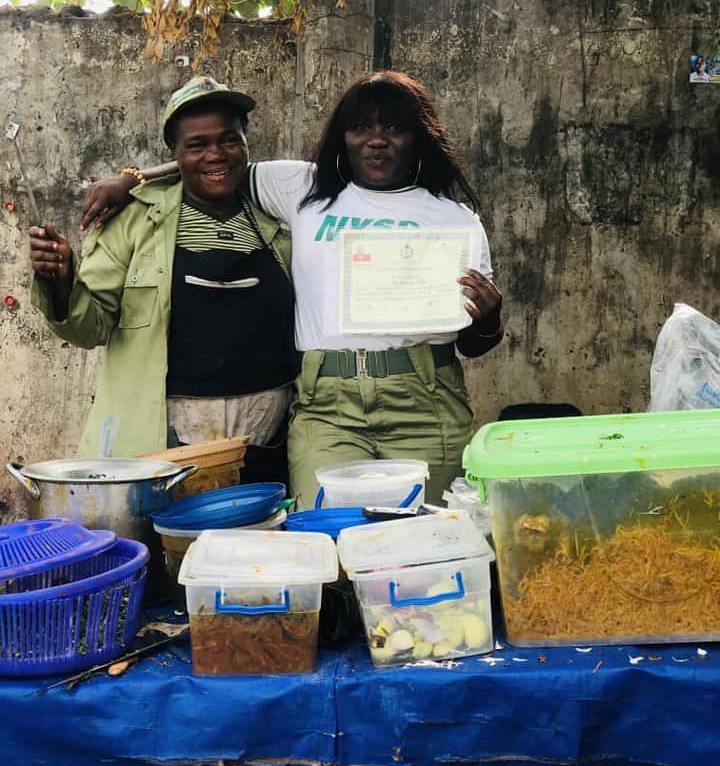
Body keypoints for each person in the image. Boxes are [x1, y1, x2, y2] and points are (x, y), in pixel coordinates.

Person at [81, 71, 503, 505]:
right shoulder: (301, 187)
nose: (376, 141)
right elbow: (214, 161)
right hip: (328, 406)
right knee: (325, 533)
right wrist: (133, 178)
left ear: (419, 136)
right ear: (343, 137)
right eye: (361, 128)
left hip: (424, 400)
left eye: (394, 127)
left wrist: (489, 319)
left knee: (422, 534)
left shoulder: (456, 222)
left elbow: (473, 344)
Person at [30, 75, 298, 483]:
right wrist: (61, 281)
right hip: (164, 439)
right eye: (197, 145)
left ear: (246, 144)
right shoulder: (133, 220)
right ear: (176, 152)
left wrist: (135, 174)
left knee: (258, 542)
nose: (216, 154)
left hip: (267, 441)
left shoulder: (277, 214)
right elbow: (91, 327)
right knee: (165, 544)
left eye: (229, 140)